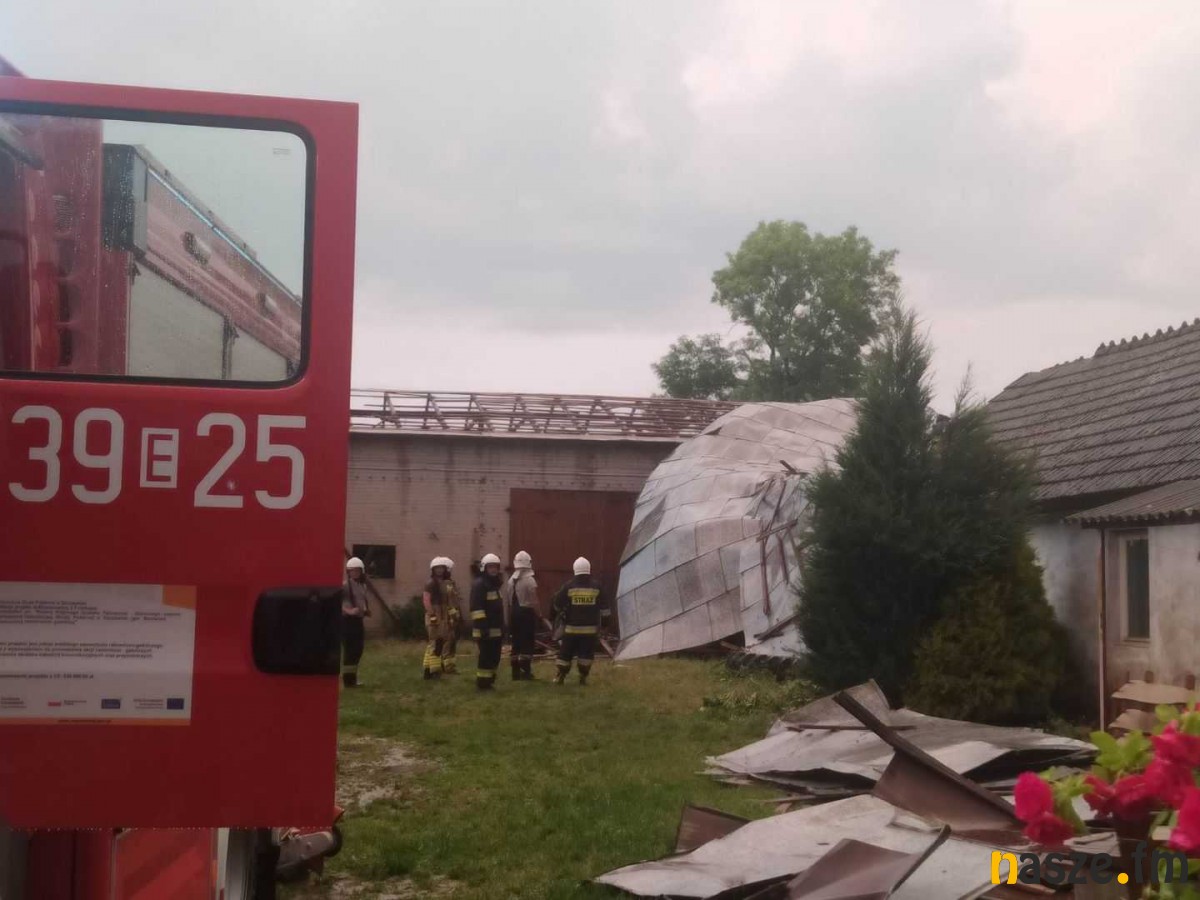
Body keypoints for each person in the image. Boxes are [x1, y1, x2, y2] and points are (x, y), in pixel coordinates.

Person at [551, 557, 609, 685]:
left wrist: (561, 613)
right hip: (590, 631)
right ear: (588, 569)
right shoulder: (597, 587)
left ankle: (561, 676)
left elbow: (557, 603)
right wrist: (605, 626)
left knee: (565, 655)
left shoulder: (568, 586)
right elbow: (605, 609)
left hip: (571, 631)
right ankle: (583, 678)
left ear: (575, 569)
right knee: (586, 656)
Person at [501, 550, 539, 680]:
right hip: (526, 613)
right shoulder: (530, 580)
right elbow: (534, 600)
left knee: (516, 642)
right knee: (527, 642)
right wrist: (539, 614)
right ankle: (526, 671)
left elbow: (509, 600)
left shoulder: (510, 580)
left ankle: (515, 672)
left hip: (514, 613)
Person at [470, 553, 506, 690]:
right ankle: (483, 684)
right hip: (484, 630)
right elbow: (476, 608)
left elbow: (498, 609)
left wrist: (503, 627)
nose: (493, 569)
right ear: (484, 568)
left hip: (496, 629)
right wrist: (483, 628)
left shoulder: (494, 585)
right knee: (486, 657)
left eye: (495, 567)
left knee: (495, 657)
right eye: (490, 567)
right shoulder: (480, 584)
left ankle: (489, 681)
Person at [341, 557, 371, 688]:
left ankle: (353, 678)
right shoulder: (345, 586)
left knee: (358, 649)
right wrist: (349, 611)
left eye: (357, 571)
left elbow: (362, 601)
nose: (355, 573)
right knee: (350, 650)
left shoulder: (362, 585)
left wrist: (365, 610)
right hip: (347, 621)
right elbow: (336, 602)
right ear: (348, 572)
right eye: (352, 571)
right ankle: (348, 681)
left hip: (358, 621)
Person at [421, 558, 452, 680]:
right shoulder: (430, 583)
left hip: (442, 614)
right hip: (434, 614)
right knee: (435, 643)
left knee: (436, 642)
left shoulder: (444, 583)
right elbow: (426, 600)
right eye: (437, 568)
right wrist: (432, 615)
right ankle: (434, 671)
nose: (440, 570)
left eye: (442, 568)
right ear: (433, 569)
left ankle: (427, 670)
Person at [441, 558, 463, 673]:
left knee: (453, 642)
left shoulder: (450, 583)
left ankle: (451, 666)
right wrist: (453, 616)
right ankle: (446, 666)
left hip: (453, 617)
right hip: (448, 618)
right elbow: (450, 602)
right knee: (448, 642)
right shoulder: (446, 584)